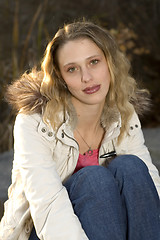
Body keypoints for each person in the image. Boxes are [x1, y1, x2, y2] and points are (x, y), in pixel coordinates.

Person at [0, 20, 160, 240]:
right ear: (61, 78)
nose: (87, 77)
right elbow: (47, 204)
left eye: (94, 62)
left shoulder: (124, 113)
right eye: (72, 69)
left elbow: (149, 187)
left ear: (110, 63)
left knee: (131, 166)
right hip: (48, 230)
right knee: (94, 179)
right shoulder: (34, 122)